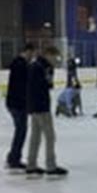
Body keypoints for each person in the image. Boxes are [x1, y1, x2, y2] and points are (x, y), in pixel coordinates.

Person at [26, 46, 68, 176]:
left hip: (35, 107)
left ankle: (31, 165)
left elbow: (47, 85)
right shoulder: (39, 68)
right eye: (55, 57)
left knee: (36, 136)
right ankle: (51, 166)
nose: (56, 60)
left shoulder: (40, 66)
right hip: (41, 107)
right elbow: (40, 87)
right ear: (48, 55)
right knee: (50, 136)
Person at [5, 43, 36, 171]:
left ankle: (13, 157)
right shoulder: (21, 65)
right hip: (18, 104)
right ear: (28, 51)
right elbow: (23, 86)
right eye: (32, 54)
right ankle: (14, 158)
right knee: (21, 131)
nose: (32, 57)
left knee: (20, 131)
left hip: (15, 103)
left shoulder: (18, 63)